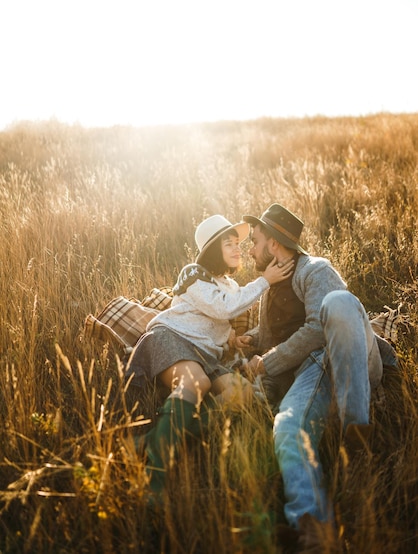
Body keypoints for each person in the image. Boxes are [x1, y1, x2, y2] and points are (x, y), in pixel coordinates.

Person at [237, 203, 398, 549]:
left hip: (347, 357)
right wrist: (249, 344)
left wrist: (267, 361)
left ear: (275, 244)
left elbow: (316, 332)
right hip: (312, 375)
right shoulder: (269, 291)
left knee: (338, 303)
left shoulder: (315, 269)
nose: (250, 249)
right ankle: (314, 526)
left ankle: (358, 435)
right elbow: (269, 341)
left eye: (255, 240)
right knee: (287, 426)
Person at [126, 213, 293, 497]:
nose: (237, 248)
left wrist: (231, 337)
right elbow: (222, 308)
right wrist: (264, 280)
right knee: (197, 384)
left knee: (242, 395)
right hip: (173, 338)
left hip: (206, 356)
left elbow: (219, 317)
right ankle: (154, 480)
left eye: (238, 243)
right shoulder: (193, 273)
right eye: (229, 244)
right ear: (213, 249)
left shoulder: (229, 285)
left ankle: (155, 439)